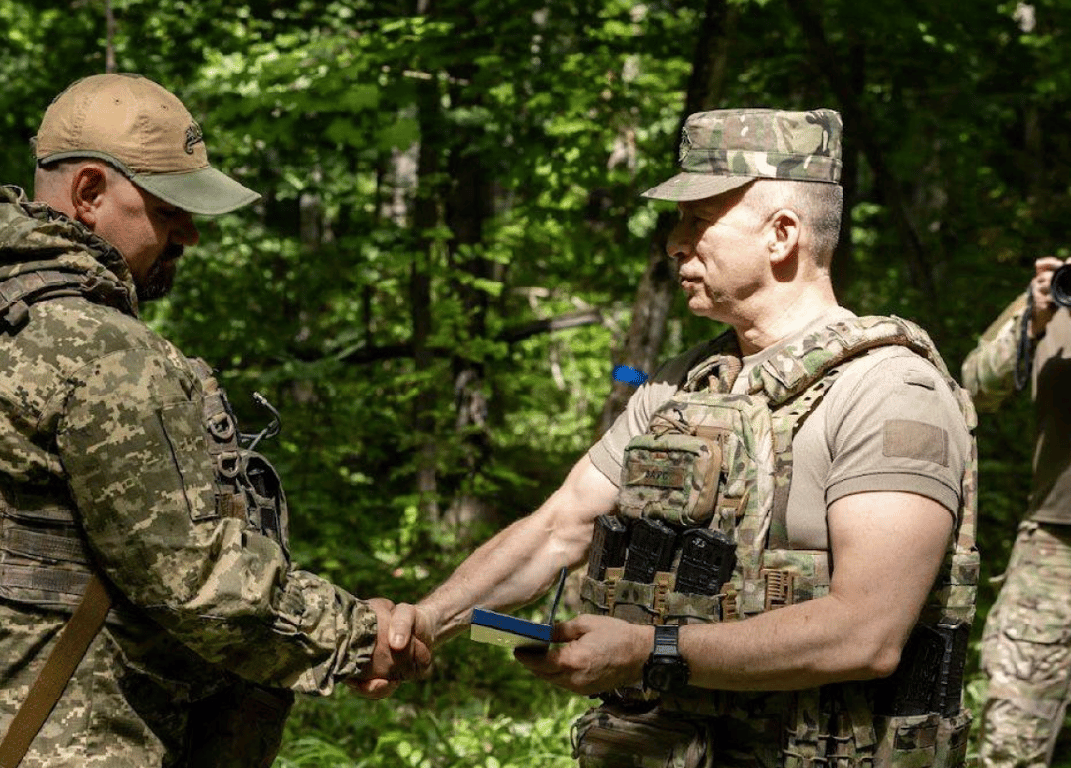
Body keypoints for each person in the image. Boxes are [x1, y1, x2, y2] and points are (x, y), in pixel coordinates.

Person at [382, 108, 980, 767]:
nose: (675, 243)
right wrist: (430, 621)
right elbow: (560, 528)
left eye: (698, 220)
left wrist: (649, 650)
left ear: (782, 234)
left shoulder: (890, 393)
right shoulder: (684, 383)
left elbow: (867, 634)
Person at [0, 73, 425, 768]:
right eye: (170, 209)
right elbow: (193, 577)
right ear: (88, 194)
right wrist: (358, 635)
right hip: (82, 735)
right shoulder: (102, 350)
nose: (190, 235)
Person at [964, 256, 1071, 768]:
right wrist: (1033, 320)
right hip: (1055, 547)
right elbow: (976, 388)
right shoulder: (1061, 293)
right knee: (1011, 744)